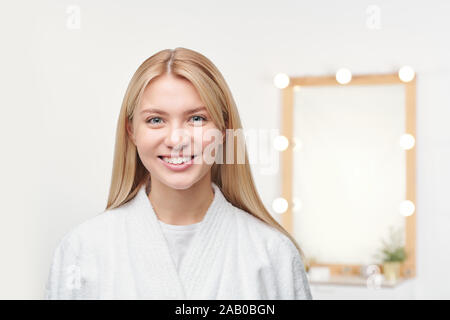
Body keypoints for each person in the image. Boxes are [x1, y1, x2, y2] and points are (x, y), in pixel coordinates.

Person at [45, 47, 312, 300]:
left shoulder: (272, 254)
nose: (176, 139)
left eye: (197, 118)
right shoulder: (83, 250)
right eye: (155, 120)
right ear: (131, 131)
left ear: (224, 128)